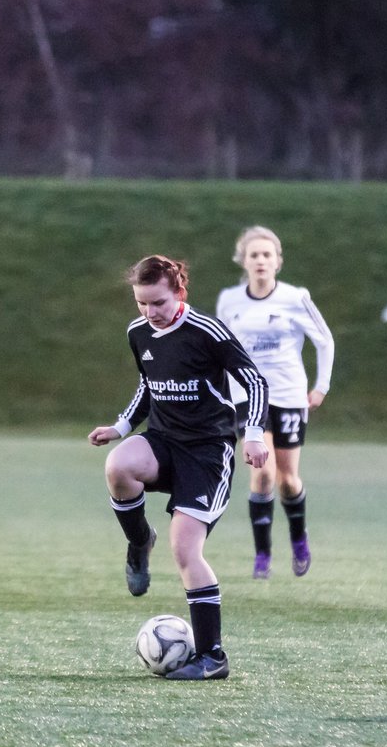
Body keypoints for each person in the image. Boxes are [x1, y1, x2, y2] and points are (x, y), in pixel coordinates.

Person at [89, 255, 269, 680]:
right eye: (141, 304)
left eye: (158, 303)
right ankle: (139, 543)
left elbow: (255, 381)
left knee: (186, 549)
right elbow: (149, 385)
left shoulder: (207, 332)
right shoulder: (139, 333)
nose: (150, 313)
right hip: (164, 440)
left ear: (179, 294)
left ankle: (212, 658)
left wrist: (255, 433)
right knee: (119, 466)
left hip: (207, 452)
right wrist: (120, 427)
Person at [216, 226, 334, 579]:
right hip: (248, 397)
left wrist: (320, 386)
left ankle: (299, 538)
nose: (261, 261)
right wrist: (219, 389)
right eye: (254, 255)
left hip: (288, 394)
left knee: (287, 479)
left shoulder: (295, 298)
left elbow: (325, 341)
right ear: (244, 262)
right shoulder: (229, 300)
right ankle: (262, 555)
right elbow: (219, 348)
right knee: (262, 473)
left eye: (267, 255)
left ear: (278, 262)